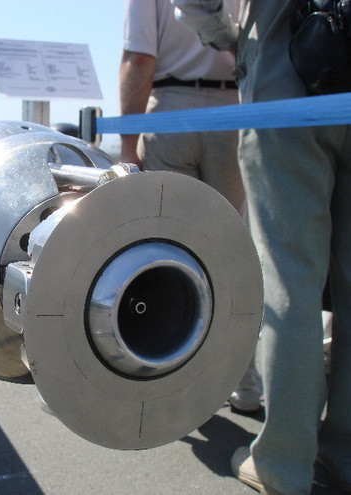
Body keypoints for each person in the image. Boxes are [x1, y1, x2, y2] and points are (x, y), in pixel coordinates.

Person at [172, 1, 351, 493]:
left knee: (289, 278)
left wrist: (228, 37)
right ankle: (345, 453)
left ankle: (283, 464)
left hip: (287, 71)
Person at [119, 0, 262, 413]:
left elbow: (139, 59)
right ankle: (242, 381)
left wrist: (128, 144)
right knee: (230, 253)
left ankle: (175, 375)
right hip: (235, 107)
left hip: (171, 109)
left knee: (169, 249)